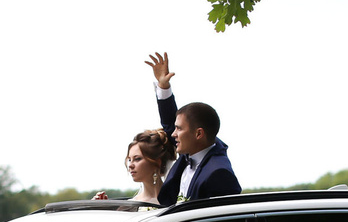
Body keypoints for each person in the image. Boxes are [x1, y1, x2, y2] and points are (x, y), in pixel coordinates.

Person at [145, 52, 241, 205]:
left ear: (198, 134)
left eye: (179, 129)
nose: (173, 134)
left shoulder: (219, 173)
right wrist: (163, 87)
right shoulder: (194, 149)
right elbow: (171, 123)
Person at [98, 128, 175, 204]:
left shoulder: (177, 199)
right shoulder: (129, 206)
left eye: (137, 159)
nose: (130, 165)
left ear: (157, 162)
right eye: (129, 159)